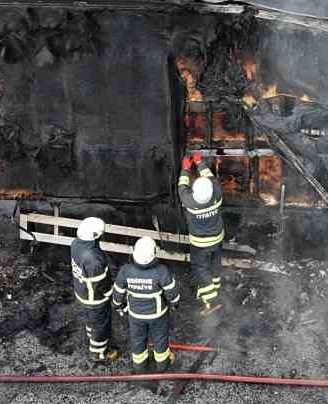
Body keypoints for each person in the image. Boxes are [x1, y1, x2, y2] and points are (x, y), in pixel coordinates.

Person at [112, 236, 181, 372]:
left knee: (137, 340)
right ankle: (162, 366)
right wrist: (175, 304)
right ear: (154, 253)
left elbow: (117, 295)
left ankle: (139, 368)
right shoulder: (161, 271)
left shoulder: (125, 271)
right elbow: (172, 295)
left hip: (135, 316)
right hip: (158, 316)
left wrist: (119, 307)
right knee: (160, 340)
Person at [178, 151, 224, 315]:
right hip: (217, 238)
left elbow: (182, 187)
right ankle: (216, 287)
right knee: (215, 264)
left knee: (200, 270)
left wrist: (185, 169)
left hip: (200, 244)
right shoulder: (217, 194)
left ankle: (211, 301)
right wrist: (200, 163)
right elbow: (211, 178)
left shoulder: (190, 201)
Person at [69, 217, 119, 363]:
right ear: (96, 235)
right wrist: (114, 297)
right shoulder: (92, 259)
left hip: (81, 290)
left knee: (91, 322)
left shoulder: (76, 244)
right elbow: (101, 285)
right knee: (100, 324)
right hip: (95, 298)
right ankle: (99, 353)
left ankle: (94, 340)